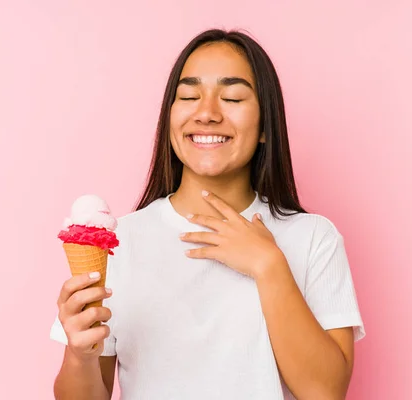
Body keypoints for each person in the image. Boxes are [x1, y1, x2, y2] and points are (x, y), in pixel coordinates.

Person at [50, 28, 365, 400]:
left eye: (232, 97)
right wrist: (79, 355)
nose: (207, 113)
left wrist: (269, 266)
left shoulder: (313, 238)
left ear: (266, 126)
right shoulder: (120, 242)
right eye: (188, 96)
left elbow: (325, 393)